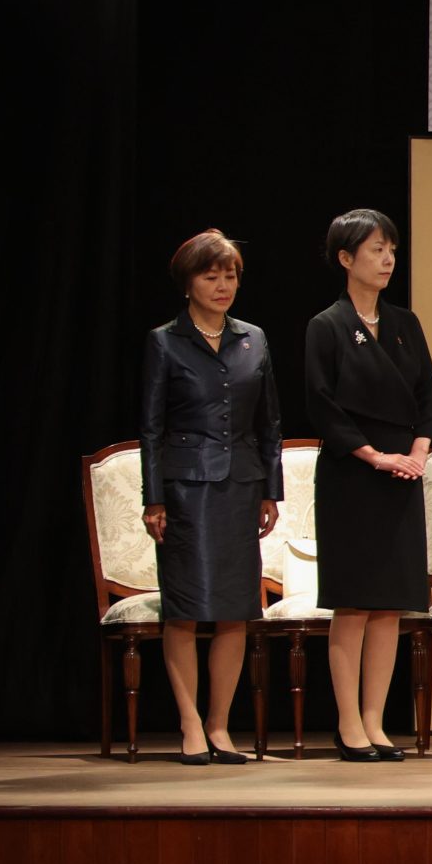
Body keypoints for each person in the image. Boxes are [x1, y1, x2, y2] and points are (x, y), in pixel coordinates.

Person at [301, 210, 432, 763]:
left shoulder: (405, 322)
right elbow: (321, 404)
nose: (387, 260)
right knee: (354, 603)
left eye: (392, 250)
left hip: (403, 473)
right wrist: (375, 456)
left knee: (389, 606)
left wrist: (417, 454)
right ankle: (348, 722)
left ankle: (377, 721)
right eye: (376, 250)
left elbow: (427, 394)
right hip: (353, 474)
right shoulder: (327, 325)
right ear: (345, 258)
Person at [139, 230, 281, 766]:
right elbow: (151, 428)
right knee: (185, 610)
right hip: (185, 490)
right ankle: (190, 723)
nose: (223, 285)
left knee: (235, 610)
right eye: (211, 276)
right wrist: (154, 498)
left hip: (241, 486)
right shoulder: (164, 341)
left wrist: (270, 490)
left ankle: (220, 726)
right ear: (188, 283)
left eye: (231, 276)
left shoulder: (254, 338)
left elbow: (269, 422)